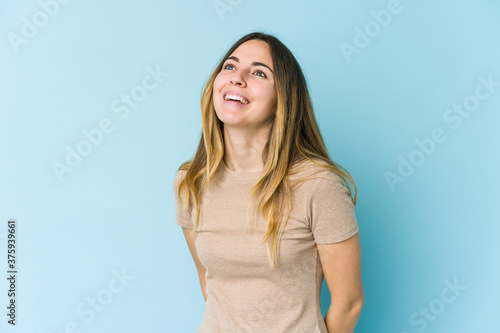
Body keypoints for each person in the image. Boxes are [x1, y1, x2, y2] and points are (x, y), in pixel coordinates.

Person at [173, 31, 363, 333]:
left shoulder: (317, 185)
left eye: (259, 72)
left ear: (282, 100)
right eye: (230, 67)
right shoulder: (191, 182)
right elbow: (209, 280)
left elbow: (349, 302)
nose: (238, 78)